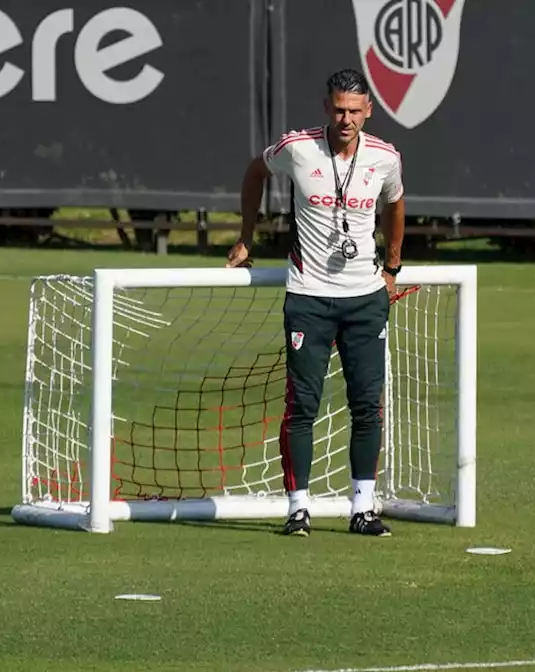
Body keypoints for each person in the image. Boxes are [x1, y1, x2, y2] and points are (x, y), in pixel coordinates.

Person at [227, 69, 405, 537]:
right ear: (326, 107)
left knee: (367, 405)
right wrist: (246, 238)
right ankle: (297, 508)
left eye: (354, 110)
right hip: (308, 297)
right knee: (302, 405)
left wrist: (392, 267)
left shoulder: (385, 157)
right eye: (338, 109)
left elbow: (396, 203)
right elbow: (254, 171)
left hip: (365, 300)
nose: (346, 118)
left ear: (369, 110)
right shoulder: (296, 148)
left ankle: (363, 508)